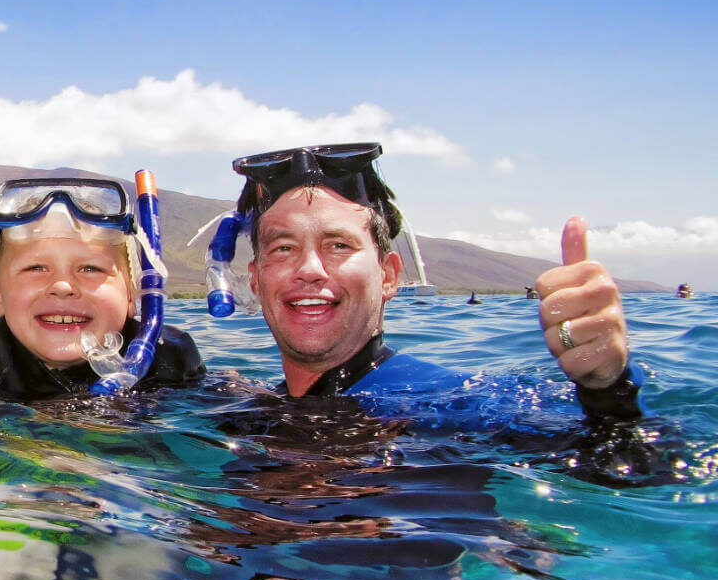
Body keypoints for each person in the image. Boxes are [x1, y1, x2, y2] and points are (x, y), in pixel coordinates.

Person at [221, 143, 641, 419]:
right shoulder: (246, 407)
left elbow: (633, 480)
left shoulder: (452, 406)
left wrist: (608, 396)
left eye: (338, 245)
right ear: (256, 280)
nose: (309, 269)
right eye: (283, 248)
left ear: (387, 276)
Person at [0, 176, 205, 400]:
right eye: (35, 268)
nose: (62, 286)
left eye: (90, 269)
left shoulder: (169, 358)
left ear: (133, 296)